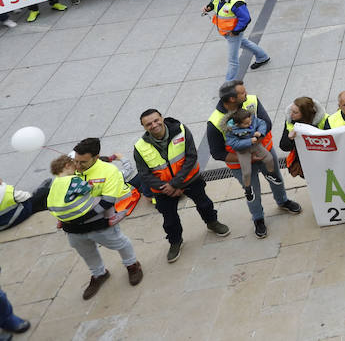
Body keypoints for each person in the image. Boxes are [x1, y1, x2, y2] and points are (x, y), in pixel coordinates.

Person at [32, 150, 142, 300]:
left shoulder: (89, 173)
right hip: (74, 229)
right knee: (86, 252)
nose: (78, 166)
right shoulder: (67, 179)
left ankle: (132, 265)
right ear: (68, 165)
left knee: (119, 242)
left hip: (97, 224)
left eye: (81, 162)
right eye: (76, 163)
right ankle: (99, 274)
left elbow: (104, 194)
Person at [133, 108, 230, 263]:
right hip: (163, 190)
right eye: (148, 124)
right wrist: (166, 187)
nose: (154, 125)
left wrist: (175, 184)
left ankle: (212, 223)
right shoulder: (140, 147)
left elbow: (191, 157)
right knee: (169, 220)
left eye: (156, 120)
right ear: (144, 127)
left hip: (190, 180)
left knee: (204, 204)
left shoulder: (181, 131)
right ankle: (175, 241)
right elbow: (144, 174)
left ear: (162, 118)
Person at [205, 80, 300, 238]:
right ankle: (258, 218)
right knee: (252, 192)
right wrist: (245, 157)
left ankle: (283, 201)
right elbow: (217, 153)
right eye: (242, 93)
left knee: (276, 179)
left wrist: (258, 142)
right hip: (240, 164)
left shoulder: (252, 101)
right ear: (231, 100)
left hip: (264, 153)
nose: (247, 94)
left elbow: (267, 123)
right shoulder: (215, 122)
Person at [204, 0, 268, 80]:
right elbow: (214, 3)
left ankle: (229, 85)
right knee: (244, 43)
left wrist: (236, 31)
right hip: (226, 32)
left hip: (232, 33)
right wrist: (208, 7)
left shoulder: (237, 3)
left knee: (232, 61)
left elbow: (246, 19)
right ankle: (262, 57)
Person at [224, 106, 284, 201]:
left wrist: (260, 132)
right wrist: (249, 141)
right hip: (243, 150)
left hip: (255, 145)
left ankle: (271, 174)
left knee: (269, 158)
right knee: (246, 171)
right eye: (246, 124)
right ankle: (248, 189)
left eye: (250, 121)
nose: (249, 124)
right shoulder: (231, 131)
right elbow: (234, 144)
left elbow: (262, 123)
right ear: (237, 124)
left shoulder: (252, 119)